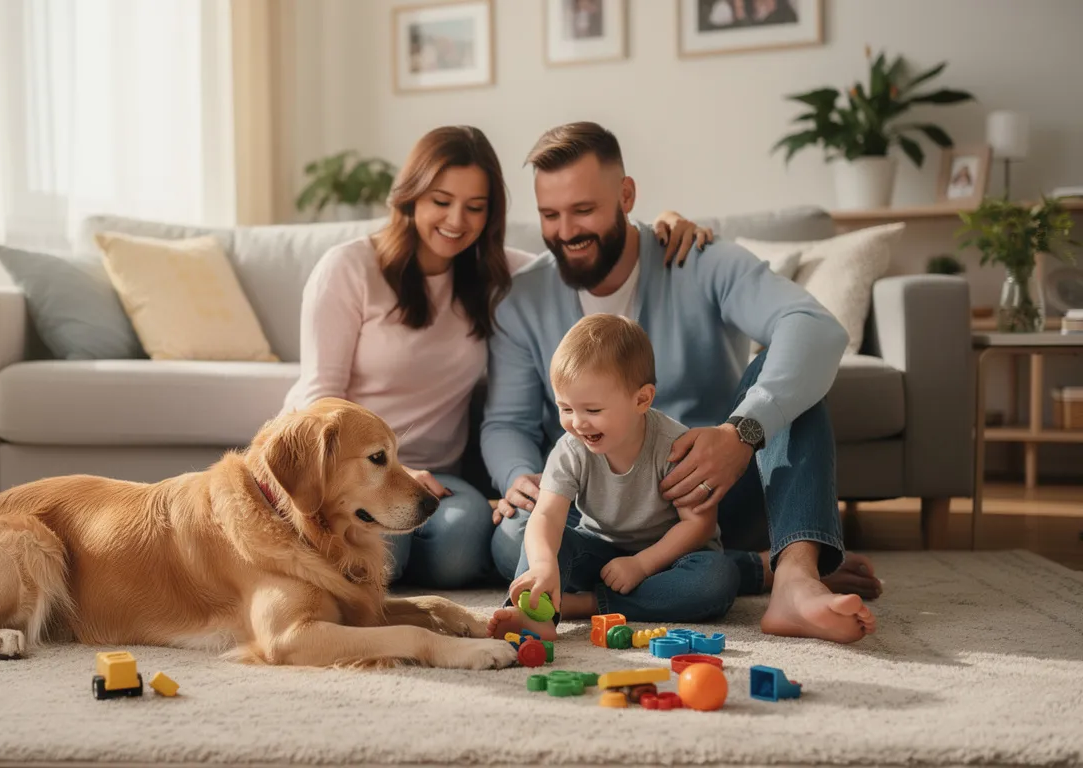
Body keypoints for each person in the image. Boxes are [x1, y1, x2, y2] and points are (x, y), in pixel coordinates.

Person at [482, 121, 879, 643]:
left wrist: (742, 433)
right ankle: (752, 570)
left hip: (711, 502)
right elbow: (505, 422)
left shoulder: (695, 256)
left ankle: (796, 581)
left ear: (626, 196)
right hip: (593, 514)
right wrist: (519, 478)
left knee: (788, 374)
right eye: (549, 215)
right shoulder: (522, 296)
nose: (566, 231)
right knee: (513, 538)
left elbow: (816, 329)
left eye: (584, 209)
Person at [283, 125, 711, 590]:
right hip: (356, 469)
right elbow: (321, 398)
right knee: (385, 546)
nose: (457, 221)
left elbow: (581, 258)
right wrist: (394, 471)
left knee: (461, 546)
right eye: (441, 201)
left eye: (475, 207)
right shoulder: (348, 268)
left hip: (443, 475)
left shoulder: (497, 273)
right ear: (410, 197)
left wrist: (659, 228)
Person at [486, 314, 739, 642]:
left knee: (715, 579)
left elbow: (699, 525)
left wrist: (641, 565)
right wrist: (544, 565)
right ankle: (534, 612)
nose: (578, 423)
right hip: (600, 551)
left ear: (641, 399)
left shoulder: (674, 445)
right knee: (543, 543)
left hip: (669, 557)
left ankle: (588, 604)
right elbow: (546, 515)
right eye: (566, 409)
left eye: (592, 410)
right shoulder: (570, 449)